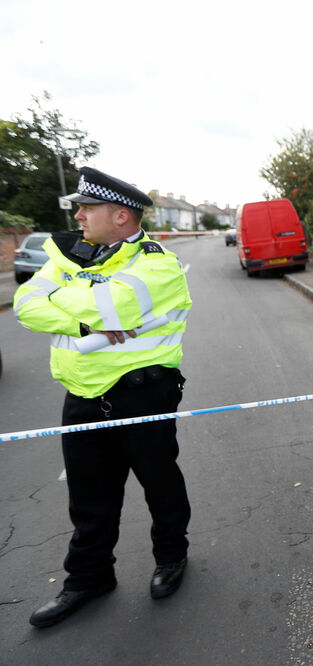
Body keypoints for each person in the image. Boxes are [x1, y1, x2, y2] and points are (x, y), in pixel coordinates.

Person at [14, 167, 193, 628]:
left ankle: (171, 557)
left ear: (120, 216)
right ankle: (89, 578)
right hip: (81, 394)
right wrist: (82, 322)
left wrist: (67, 295)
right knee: (87, 496)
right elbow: (26, 304)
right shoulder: (69, 255)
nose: (78, 216)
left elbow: (111, 307)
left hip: (142, 395)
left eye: (87, 208)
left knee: (160, 484)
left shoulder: (158, 264)